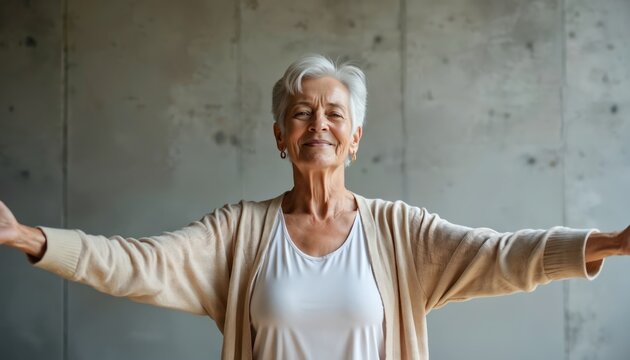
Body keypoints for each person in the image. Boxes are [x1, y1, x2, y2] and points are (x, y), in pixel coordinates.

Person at [1, 54, 628, 360]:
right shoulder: (239, 233)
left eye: (335, 113)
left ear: (355, 138)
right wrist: (31, 237)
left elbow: (500, 254)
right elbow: (138, 262)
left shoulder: (400, 234)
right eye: (302, 112)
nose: (318, 123)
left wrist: (605, 243)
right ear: (281, 136)